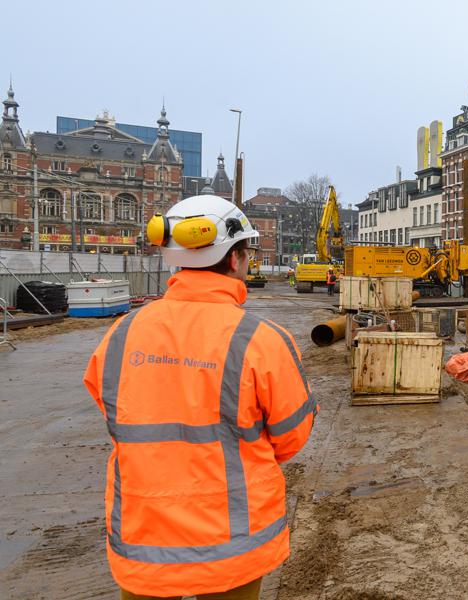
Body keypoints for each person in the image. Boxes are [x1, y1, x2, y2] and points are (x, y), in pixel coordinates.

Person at [84, 195, 316, 600]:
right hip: (232, 546)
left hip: (146, 545)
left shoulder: (121, 334)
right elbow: (292, 436)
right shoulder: (261, 340)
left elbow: (113, 414)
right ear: (235, 259)